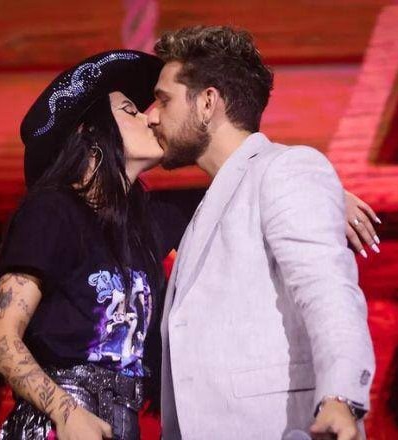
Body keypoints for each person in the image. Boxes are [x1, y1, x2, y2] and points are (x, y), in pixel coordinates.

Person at [147, 26, 376, 439]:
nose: (152, 115)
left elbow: (328, 291)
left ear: (207, 102)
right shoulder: (212, 201)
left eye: (164, 99)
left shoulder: (286, 170)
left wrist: (340, 396)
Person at [0, 49, 181, 440]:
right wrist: (65, 413)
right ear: (90, 134)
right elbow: (1, 340)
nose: (148, 118)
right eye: (131, 111)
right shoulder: (53, 212)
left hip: (122, 425)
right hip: (56, 425)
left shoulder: (150, 222)